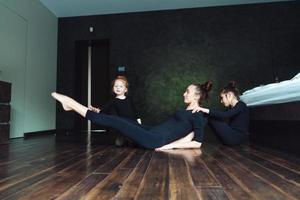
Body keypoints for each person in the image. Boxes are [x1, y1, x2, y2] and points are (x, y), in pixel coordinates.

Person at [51, 81, 212, 149]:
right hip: (152, 131)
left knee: (115, 121)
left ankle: (70, 104)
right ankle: (72, 106)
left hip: (154, 139)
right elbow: (186, 136)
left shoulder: (198, 115)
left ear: (197, 96)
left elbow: (196, 142)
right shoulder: (187, 112)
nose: (184, 94)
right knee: (121, 119)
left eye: (187, 92)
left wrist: (169, 146)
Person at [192, 81, 249, 145]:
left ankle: (195, 140)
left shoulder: (241, 105)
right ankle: (194, 138)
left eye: (222, 98)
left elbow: (225, 115)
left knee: (208, 115)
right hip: (233, 137)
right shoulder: (233, 108)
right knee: (209, 116)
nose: (221, 101)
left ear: (229, 95)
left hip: (236, 138)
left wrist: (204, 110)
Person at [89, 76, 141, 146]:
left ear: (125, 89)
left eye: (120, 86)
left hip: (132, 122)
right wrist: (96, 109)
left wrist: (138, 121)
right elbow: (103, 109)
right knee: (118, 144)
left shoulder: (129, 99)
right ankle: (124, 138)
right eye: (116, 86)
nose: (118, 88)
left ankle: (130, 139)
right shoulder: (113, 101)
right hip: (123, 124)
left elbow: (135, 110)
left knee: (137, 141)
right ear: (113, 88)